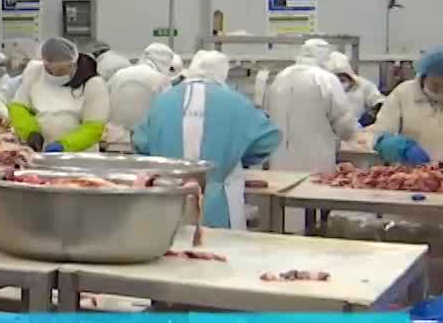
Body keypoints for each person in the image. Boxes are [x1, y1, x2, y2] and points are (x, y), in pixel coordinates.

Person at [135, 50, 281, 229]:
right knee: (218, 243)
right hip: (220, 199)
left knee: (172, 240)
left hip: (168, 197)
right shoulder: (235, 102)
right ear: (222, 73)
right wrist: (237, 156)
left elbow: (141, 143)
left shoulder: (163, 102)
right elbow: (268, 138)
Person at [263, 38, 356, 173]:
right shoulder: (326, 79)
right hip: (316, 162)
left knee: (283, 184)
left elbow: (268, 114)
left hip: (279, 161)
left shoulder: (280, 77)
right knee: (312, 185)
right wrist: (350, 135)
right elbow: (345, 125)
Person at [8, 36, 110, 153]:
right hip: (41, 151)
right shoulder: (35, 72)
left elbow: (94, 127)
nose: (54, 74)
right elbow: (18, 106)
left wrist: (64, 145)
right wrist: (30, 132)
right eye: (49, 70)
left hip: (80, 154)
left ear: (73, 64)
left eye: (61, 71)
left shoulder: (93, 83)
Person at [107, 43, 177, 137]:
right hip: (145, 138)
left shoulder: (119, 74)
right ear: (165, 63)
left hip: (115, 137)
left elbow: (104, 100)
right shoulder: (161, 79)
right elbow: (169, 110)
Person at [326, 51, 383, 128]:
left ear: (349, 76)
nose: (339, 85)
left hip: (361, 130)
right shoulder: (324, 90)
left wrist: (370, 118)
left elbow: (379, 103)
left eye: (342, 80)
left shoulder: (364, 86)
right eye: (335, 81)